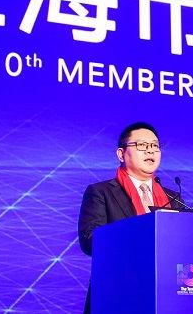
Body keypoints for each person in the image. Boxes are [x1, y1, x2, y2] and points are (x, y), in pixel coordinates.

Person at [78, 122, 181, 313]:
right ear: (121, 154)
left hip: (165, 292)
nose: (150, 150)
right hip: (116, 293)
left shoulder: (173, 198)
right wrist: (140, 235)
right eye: (142, 145)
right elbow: (90, 241)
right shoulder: (101, 192)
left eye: (155, 145)